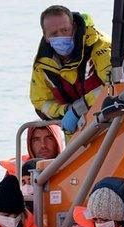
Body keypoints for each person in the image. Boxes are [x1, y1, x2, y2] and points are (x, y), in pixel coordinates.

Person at [31, 5, 112, 137]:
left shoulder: (101, 46)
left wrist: (79, 108)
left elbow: (116, 86)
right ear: (45, 37)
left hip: (113, 126)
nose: (60, 36)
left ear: (74, 28)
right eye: (53, 34)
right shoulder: (42, 65)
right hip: (75, 136)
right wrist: (66, 110)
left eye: (65, 30)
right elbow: (40, 103)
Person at [0, 123, 66, 176]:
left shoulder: (70, 165)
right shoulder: (17, 169)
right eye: (36, 140)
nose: (43, 145)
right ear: (30, 144)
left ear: (57, 141)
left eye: (49, 138)